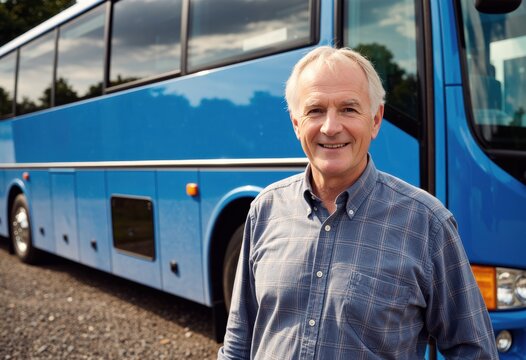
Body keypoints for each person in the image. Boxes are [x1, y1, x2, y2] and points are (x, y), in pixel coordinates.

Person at [218, 46, 498, 359]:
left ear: (375, 120)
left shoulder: (427, 224)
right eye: (315, 110)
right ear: (296, 123)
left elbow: (474, 351)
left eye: (349, 109)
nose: (330, 127)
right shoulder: (265, 210)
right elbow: (239, 341)